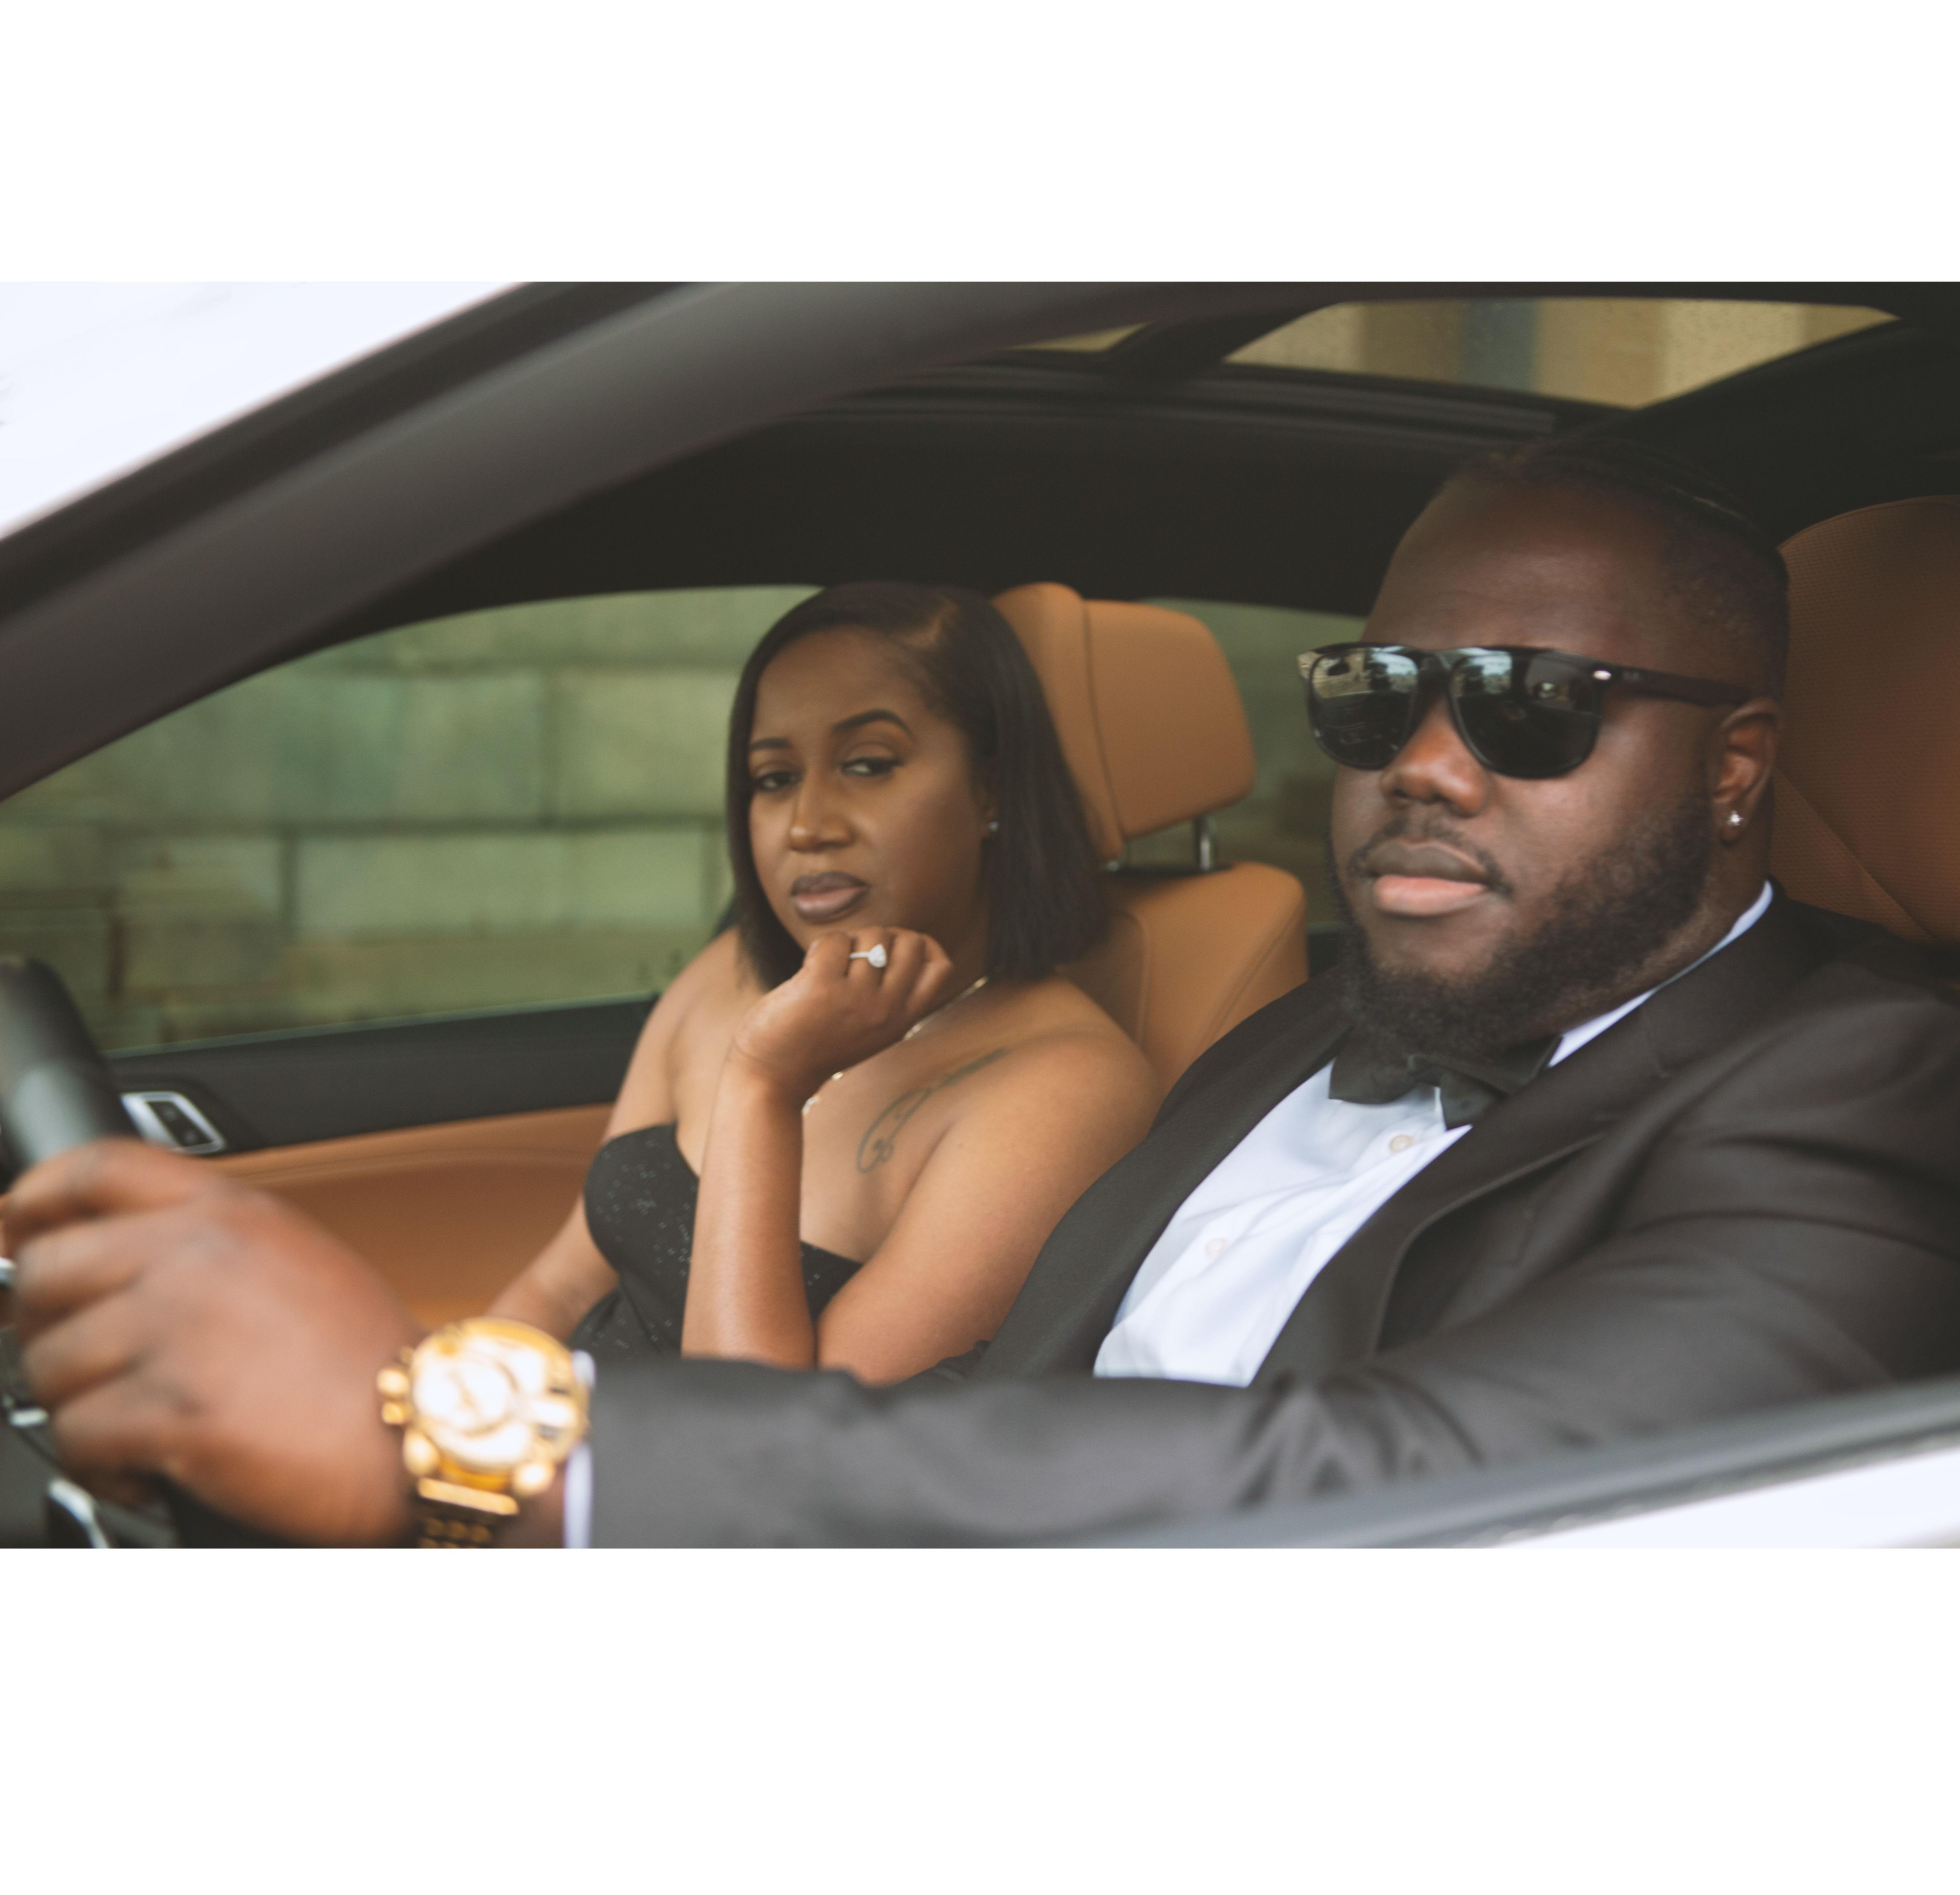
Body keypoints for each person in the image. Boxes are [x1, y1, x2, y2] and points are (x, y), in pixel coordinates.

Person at [12, 439, 1960, 1547]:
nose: (1424, 764)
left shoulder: (1872, 1084)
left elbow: (1426, 1485)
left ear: (1735, 763)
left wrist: (482, 1435)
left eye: (1531, 704)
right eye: (1376, 695)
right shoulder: (1308, 1015)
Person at [488, 579, 1159, 1384]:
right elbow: (561, 1286)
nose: (807, 825)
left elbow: (765, 1430)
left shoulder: (1065, 1090)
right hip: (544, 1435)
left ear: (990, 789)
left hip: (694, 1462)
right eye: (773, 779)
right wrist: (436, 1415)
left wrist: (763, 1085)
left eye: (867, 765)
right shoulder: (730, 969)